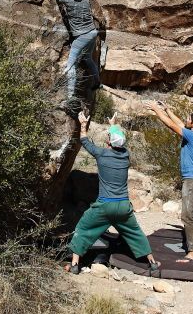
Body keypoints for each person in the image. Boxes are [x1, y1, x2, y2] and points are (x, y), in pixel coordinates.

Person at [66, 111, 160, 275]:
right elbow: (118, 140)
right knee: (136, 234)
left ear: (109, 142)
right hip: (123, 206)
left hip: (104, 205)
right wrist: (113, 124)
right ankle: (152, 264)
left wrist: (82, 124)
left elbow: (84, 140)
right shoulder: (125, 155)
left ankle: (74, 265)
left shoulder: (102, 154)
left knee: (83, 228)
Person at [147, 101, 193, 262]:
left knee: (187, 216)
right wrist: (167, 109)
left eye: (189, 119)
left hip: (192, 181)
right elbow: (179, 123)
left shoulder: (191, 135)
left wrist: (156, 110)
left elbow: (171, 125)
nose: (186, 120)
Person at [50, 0, 100, 102]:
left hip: (81, 37)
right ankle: (97, 81)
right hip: (93, 33)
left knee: (70, 66)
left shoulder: (68, 0)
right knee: (88, 58)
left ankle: (70, 96)